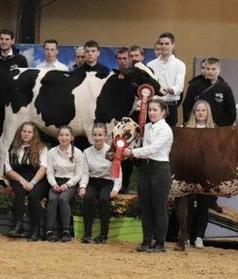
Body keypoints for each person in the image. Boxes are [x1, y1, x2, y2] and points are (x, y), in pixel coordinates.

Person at [124, 99, 173, 253]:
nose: (151, 113)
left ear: (163, 112)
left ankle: (160, 243)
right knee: (145, 208)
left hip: (160, 170)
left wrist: (132, 152)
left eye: (155, 110)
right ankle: (146, 241)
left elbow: (153, 149)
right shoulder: (148, 127)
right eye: (150, 110)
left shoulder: (165, 130)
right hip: (146, 169)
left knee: (159, 208)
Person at [0, 29, 29, 175]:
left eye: (7, 39)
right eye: (1, 39)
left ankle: (13, 175)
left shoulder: (20, 60)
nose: (4, 41)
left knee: (14, 142)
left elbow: (25, 85)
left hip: (15, 110)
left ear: (12, 41)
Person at [3, 122, 49, 241]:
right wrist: (22, 181)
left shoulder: (42, 148)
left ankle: (35, 231)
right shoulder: (13, 148)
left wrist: (32, 183)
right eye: (24, 131)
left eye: (29, 132)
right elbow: (8, 170)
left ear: (34, 134)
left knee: (34, 196)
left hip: (38, 178)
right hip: (19, 177)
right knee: (19, 193)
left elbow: (43, 168)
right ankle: (18, 226)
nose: (26, 134)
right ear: (20, 132)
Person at [180, 100, 216, 249]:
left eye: (203, 110)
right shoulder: (185, 129)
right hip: (188, 173)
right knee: (187, 206)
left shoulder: (215, 131)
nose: (201, 113)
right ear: (193, 113)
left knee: (204, 206)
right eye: (198, 110)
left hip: (206, 174)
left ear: (208, 113)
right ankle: (186, 235)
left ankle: (200, 236)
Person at [78, 123, 122, 244]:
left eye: (100, 135)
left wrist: (116, 189)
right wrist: (82, 187)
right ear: (92, 136)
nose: (97, 138)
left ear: (105, 136)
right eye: (95, 135)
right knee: (88, 198)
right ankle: (87, 234)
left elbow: (118, 172)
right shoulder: (86, 152)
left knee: (104, 199)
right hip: (92, 181)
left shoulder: (111, 152)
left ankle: (103, 235)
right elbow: (85, 173)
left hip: (107, 182)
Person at [44, 126, 85, 242]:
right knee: (52, 198)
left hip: (70, 183)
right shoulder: (52, 152)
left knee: (63, 198)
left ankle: (66, 231)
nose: (64, 137)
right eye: (61, 135)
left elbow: (79, 174)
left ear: (72, 137)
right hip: (56, 181)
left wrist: (67, 185)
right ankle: (49, 231)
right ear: (57, 137)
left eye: (67, 135)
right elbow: (50, 171)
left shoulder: (77, 153)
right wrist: (53, 184)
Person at [146, 32, 186, 127]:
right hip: (153, 106)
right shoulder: (150, 65)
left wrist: (164, 89)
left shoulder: (180, 64)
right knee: (151, 134)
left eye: (167, 43)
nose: (163, 46)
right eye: (161, 44)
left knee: (170, 137)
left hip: (170, 106)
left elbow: (179, 88)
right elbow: (148, 87)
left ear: (173, 45)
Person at [183, 57, 235, 127]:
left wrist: (222, 127)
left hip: (218, 129)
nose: (210, 72)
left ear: (219, 70)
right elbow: (187, 107)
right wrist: (191, 124)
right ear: (204, 69)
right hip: (197, 127)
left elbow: (231, 111)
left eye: (213, 69)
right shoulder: (194, 86)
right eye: (207, 69)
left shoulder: (225, 88)